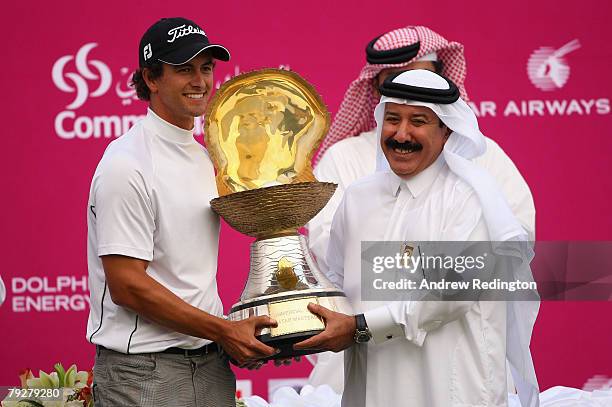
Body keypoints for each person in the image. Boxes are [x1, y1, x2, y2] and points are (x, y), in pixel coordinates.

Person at [306, 26, 536, 392]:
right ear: (377, 92)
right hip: (369, 374)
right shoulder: (354, 181)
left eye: (419, 119)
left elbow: (504, 250)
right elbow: (334, 263)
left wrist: (371, 308)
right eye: (394, 117)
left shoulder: (478, 182)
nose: (401, 134)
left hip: (452, 376)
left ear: (446, 127)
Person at [86, 17, 277, 407]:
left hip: (210, 365)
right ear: (151, 79)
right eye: (184, 69)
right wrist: (225, 330)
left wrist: (232, 335)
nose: (200, 81)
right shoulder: (127, 163)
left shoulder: (207, 156)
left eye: (206, 68)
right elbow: (127, 286)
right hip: (141, 374)